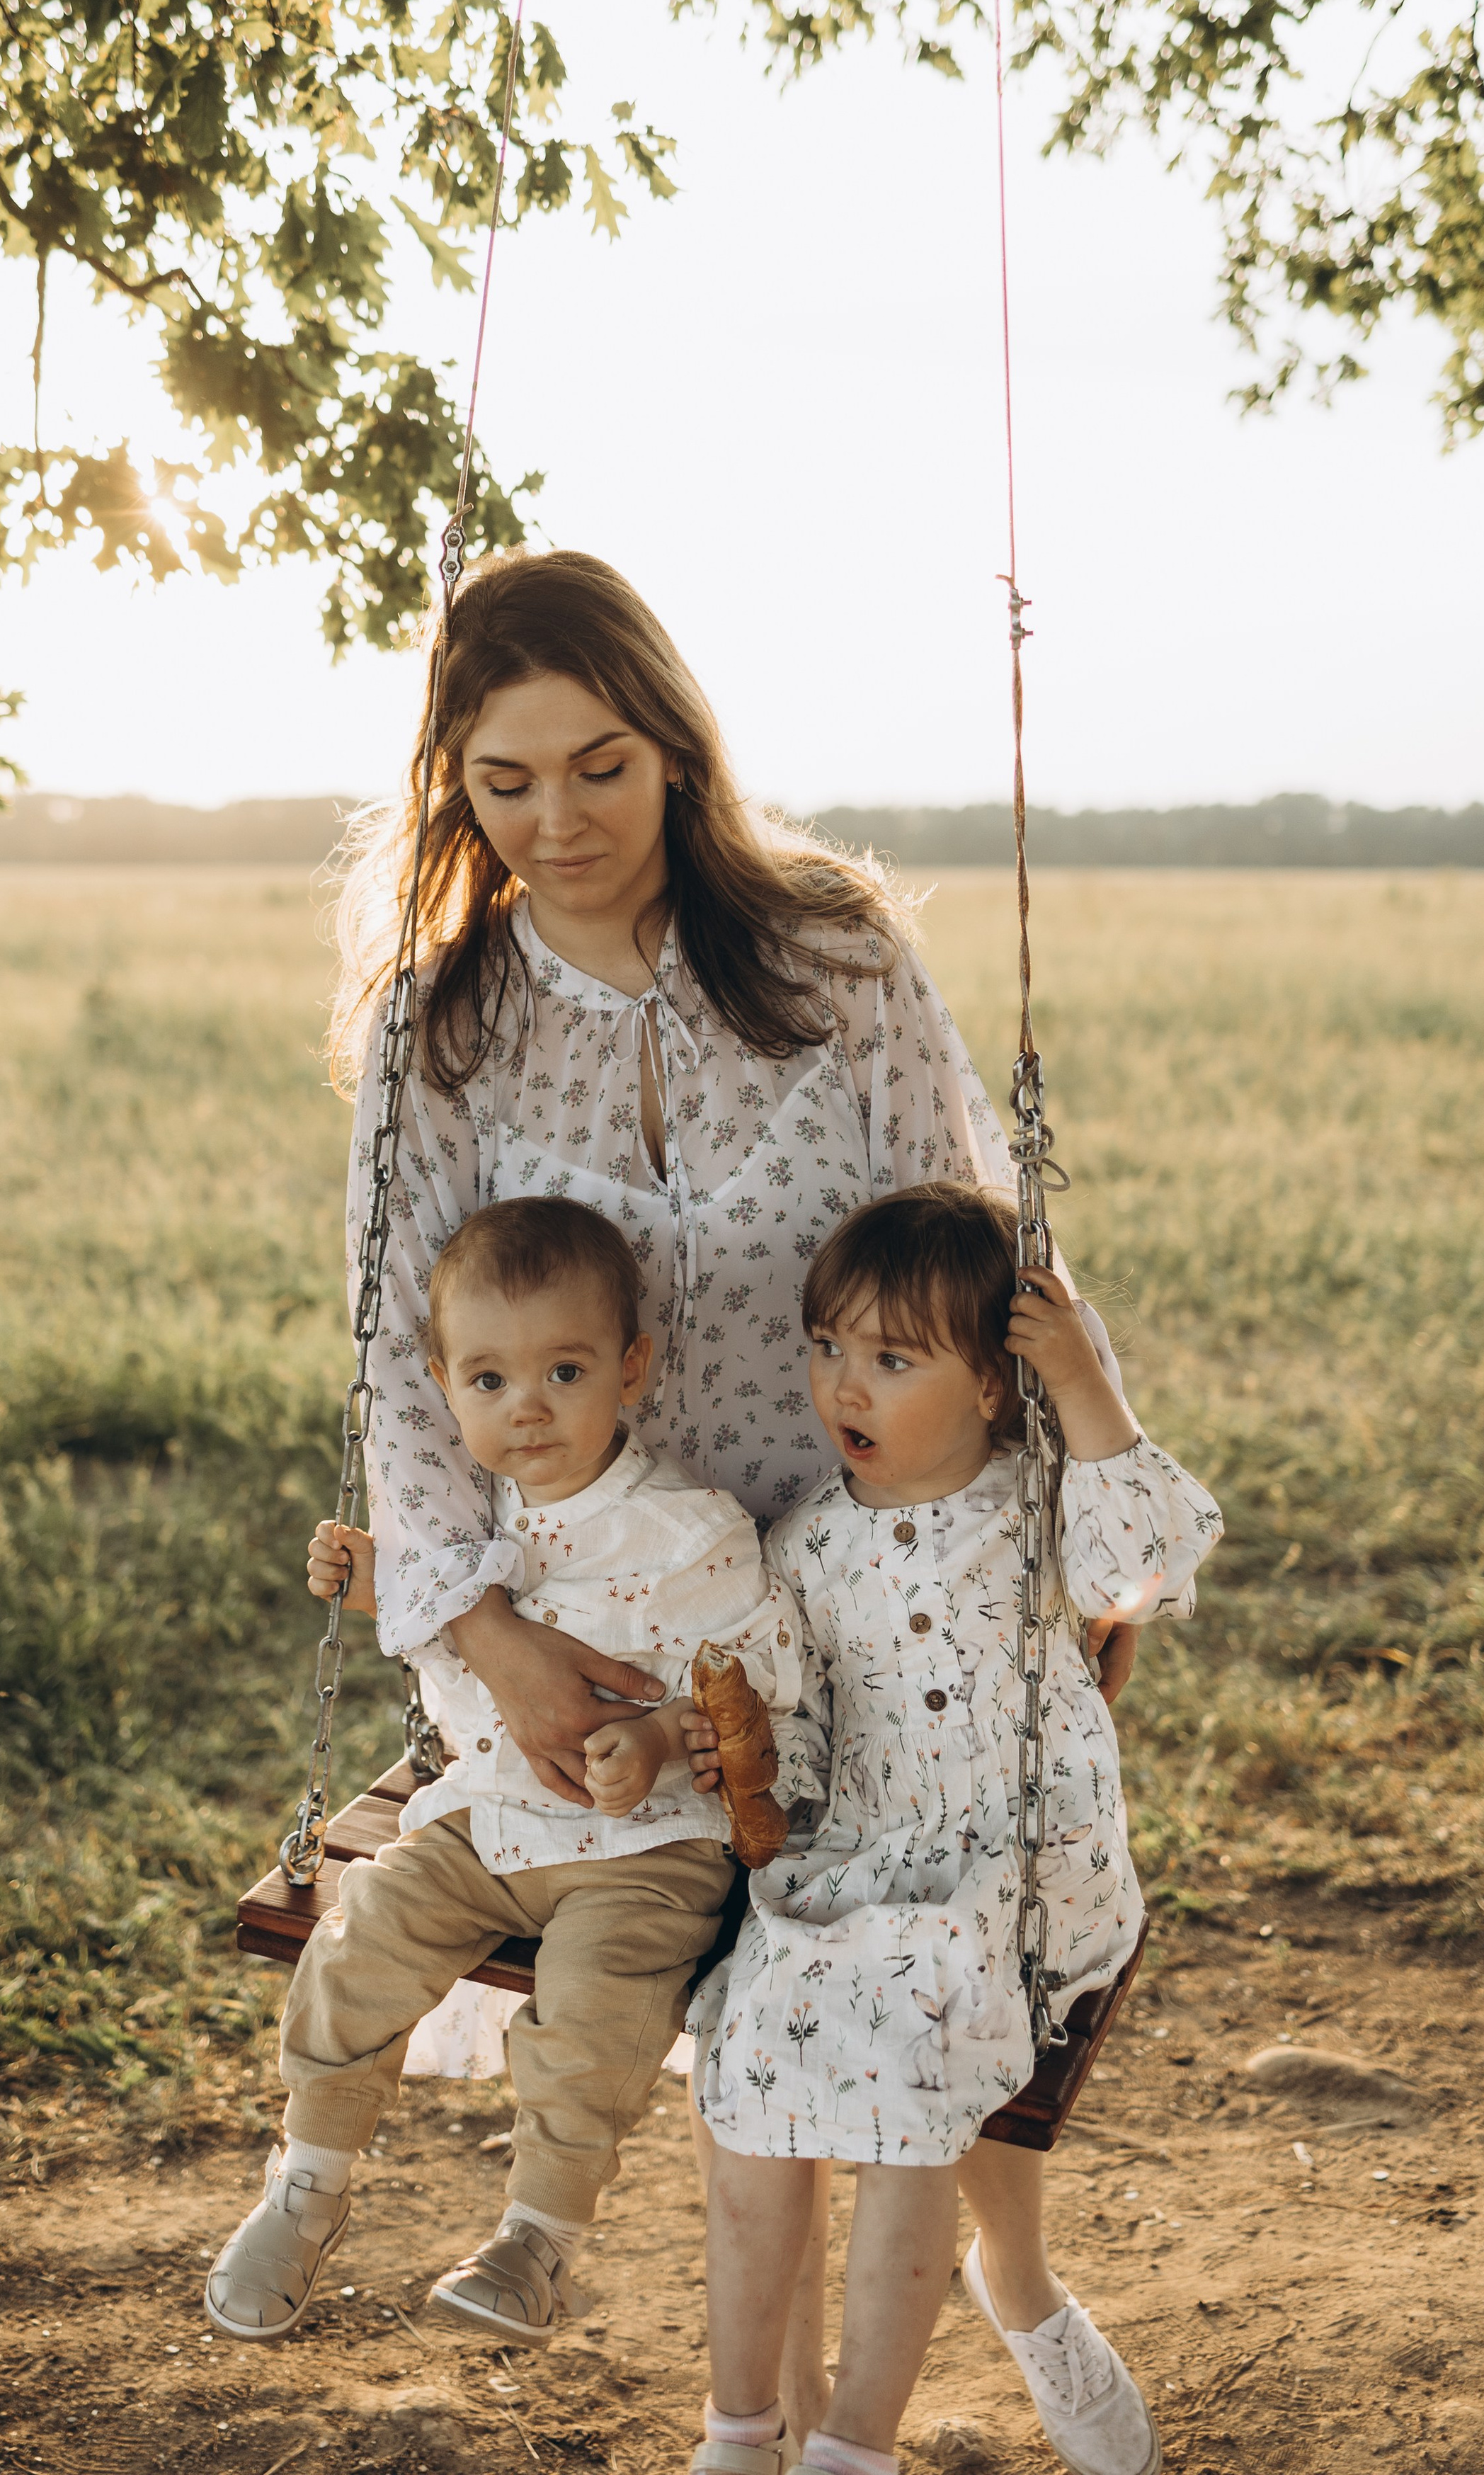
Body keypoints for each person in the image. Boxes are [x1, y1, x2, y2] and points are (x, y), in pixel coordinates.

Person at [326, 545, 1140, 2418]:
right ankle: (756, 2433)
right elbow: (395, 1359)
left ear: (676, 748)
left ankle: (1006, 2275)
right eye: (504, 779)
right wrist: (489, 1632)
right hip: (595, 1604)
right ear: (453, 782)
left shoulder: (832, 951)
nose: (557, 819)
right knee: (769, 1981)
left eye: (599, 764)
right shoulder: (438, 1030)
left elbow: (972, 1249)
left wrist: (1060, 1520)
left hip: (863, 1569)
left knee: (928, 1943)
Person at [685, 1184, 1223, 2475]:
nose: (843, 1389)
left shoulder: (1046, 1507)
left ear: (992, 1383)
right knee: (750, 2050)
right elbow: (803, 1734)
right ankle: (740, 2425)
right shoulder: (806, 1544)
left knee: (918, 2051)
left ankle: (860, 2440)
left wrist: (1089, 1384)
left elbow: (1148, 1568)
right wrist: (750, 1764)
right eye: (827, 1348)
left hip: (1021, 1872)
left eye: (890, 1358)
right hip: (866, 1859)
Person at [204, 1198, 796, 2348]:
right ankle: (307, 2182)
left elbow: (764, 1675)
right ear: (442, 1382)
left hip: (649, 1849)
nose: (524, 1406)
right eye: (487, 1381)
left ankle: (536, 2240)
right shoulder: (471, 1523)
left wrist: (672, 1735)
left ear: (631, 1368)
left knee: (595, 2008)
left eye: (563, 1370)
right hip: (490, 1820)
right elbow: (440, 1625)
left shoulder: (692, 1529)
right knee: (359, 1933)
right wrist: (374, 1577)